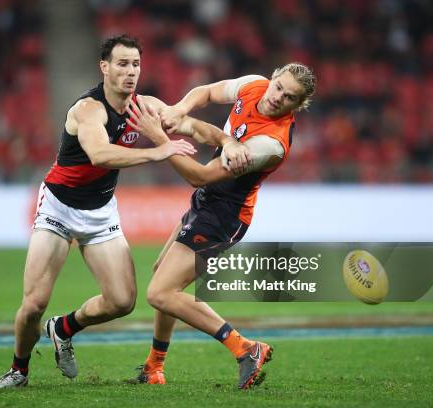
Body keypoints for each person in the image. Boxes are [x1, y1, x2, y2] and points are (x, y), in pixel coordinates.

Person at [0, 34, 248, 389]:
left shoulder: (145, 106)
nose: (131, 72)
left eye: (136, 64)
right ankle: (18, 370)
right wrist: (157, 151)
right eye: (123, 64)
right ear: (105, 67)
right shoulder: (88, 109)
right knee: (34, 303)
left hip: (100, 211)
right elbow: (100, 154)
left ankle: (62, 329)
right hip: (59, 208)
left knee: (122, 301)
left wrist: (226, 141)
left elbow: (194, 127)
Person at [125, 63, 316, 390]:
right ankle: (154, 367)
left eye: (289, 97)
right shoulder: (254, 85)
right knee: (162, 276)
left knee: (160, 292)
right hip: (207, 202)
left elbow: (198, 175)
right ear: (272, 79)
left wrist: (160, 136)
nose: (277, 97)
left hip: (224, 215)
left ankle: (245, 349)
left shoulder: (271, 144)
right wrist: (179, 110)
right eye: (278, 87)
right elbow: (209, 92)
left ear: (297, 106)